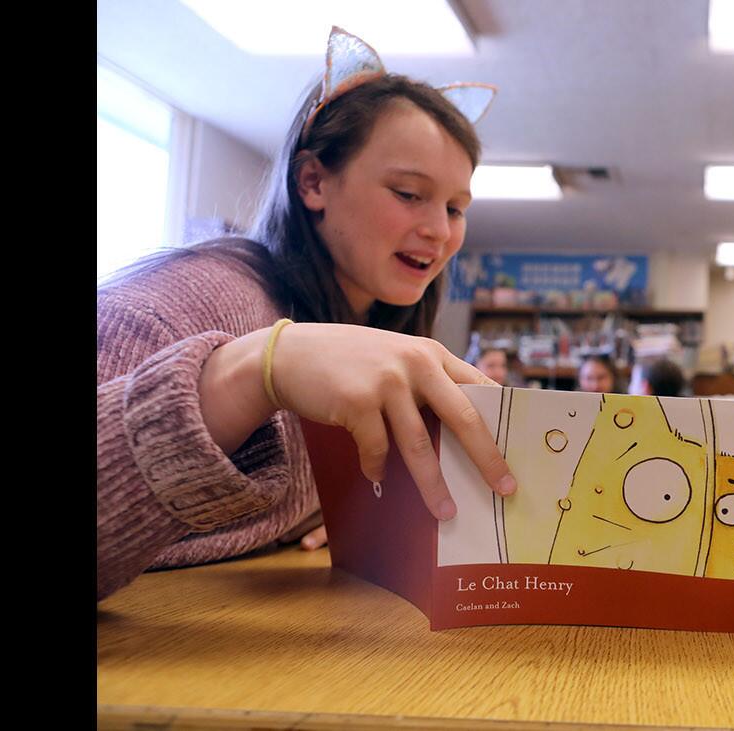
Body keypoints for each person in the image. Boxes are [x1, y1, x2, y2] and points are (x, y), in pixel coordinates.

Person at [96, 27, 515, 601]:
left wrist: (332, 512)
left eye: (455, 207)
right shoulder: (170, 306)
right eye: (409, 194)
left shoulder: (371, 319)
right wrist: (255, 370)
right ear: (314, 181)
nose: (440, 232)